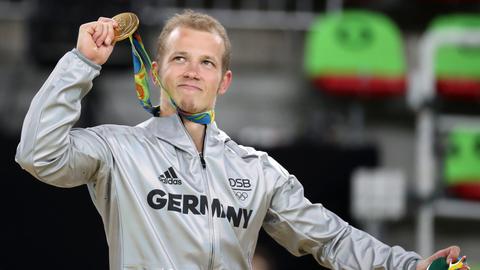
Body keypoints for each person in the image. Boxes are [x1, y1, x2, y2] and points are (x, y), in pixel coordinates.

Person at [16, 9, 467, 270]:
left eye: (207, 63)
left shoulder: (258, 170)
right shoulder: (117, 150)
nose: (193, 70)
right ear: (156, 73)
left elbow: (332, 239)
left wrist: (412, 267)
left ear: (224, 80)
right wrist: (81, 63)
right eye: (179, 58)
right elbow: (39, 155)